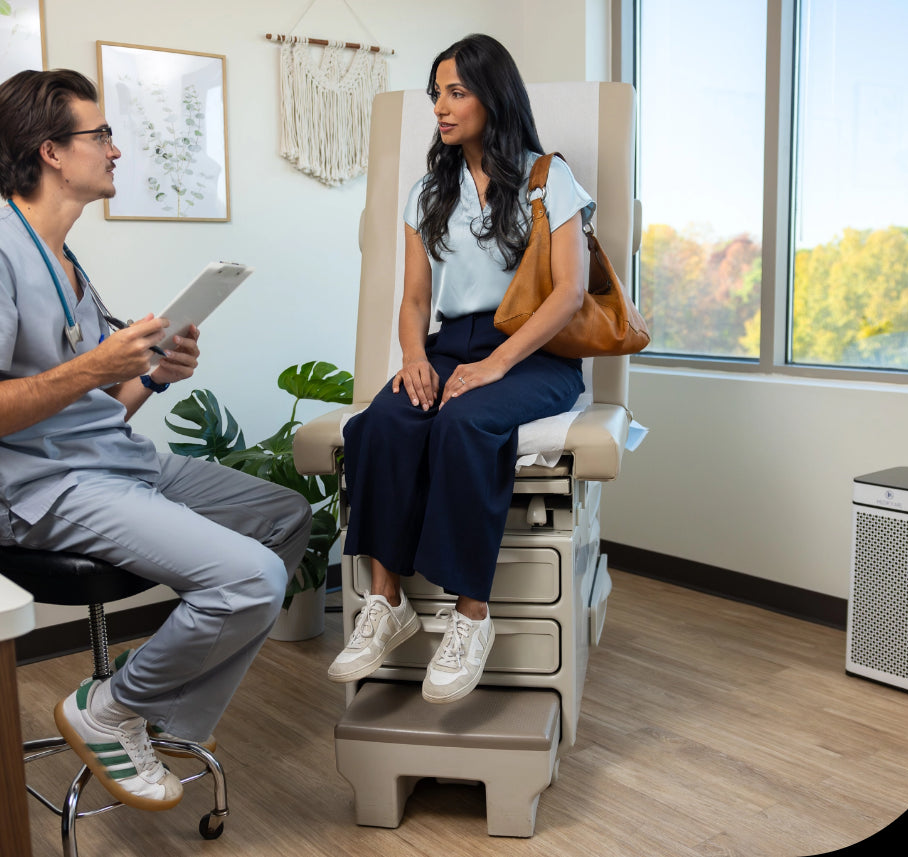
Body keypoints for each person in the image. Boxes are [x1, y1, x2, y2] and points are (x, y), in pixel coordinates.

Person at [0, 69, 312, 812]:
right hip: (47, 486)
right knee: (252, 578)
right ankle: (107, 709)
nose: (115, 149)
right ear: (50, 150)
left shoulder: (68, 260)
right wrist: (96, 365)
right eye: (100, 134)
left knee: (285, 518)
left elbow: (98, 404)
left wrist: (154, 375)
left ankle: (146, 714)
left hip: (115, 460)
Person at [328, 34, 593, 704]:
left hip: (536, 353)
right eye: (436, 94)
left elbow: (568, 294)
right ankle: (388, 601)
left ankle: (472, 615)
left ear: (491, 95)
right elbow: (415, 298)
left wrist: (496, 365)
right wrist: (415, 359)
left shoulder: (546, 178)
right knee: (380, 422)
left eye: (456, 92)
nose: (441, 108)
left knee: (464, 423)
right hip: (449, 344)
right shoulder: (429, 191)